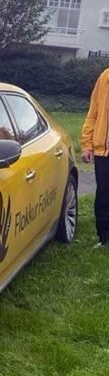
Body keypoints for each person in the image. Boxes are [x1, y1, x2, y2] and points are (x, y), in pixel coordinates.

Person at [81, 68, 109, 246]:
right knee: (104, 197)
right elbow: (93, 113)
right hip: (103, 152)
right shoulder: (105, 77)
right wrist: (86, 145)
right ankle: (104, 238)